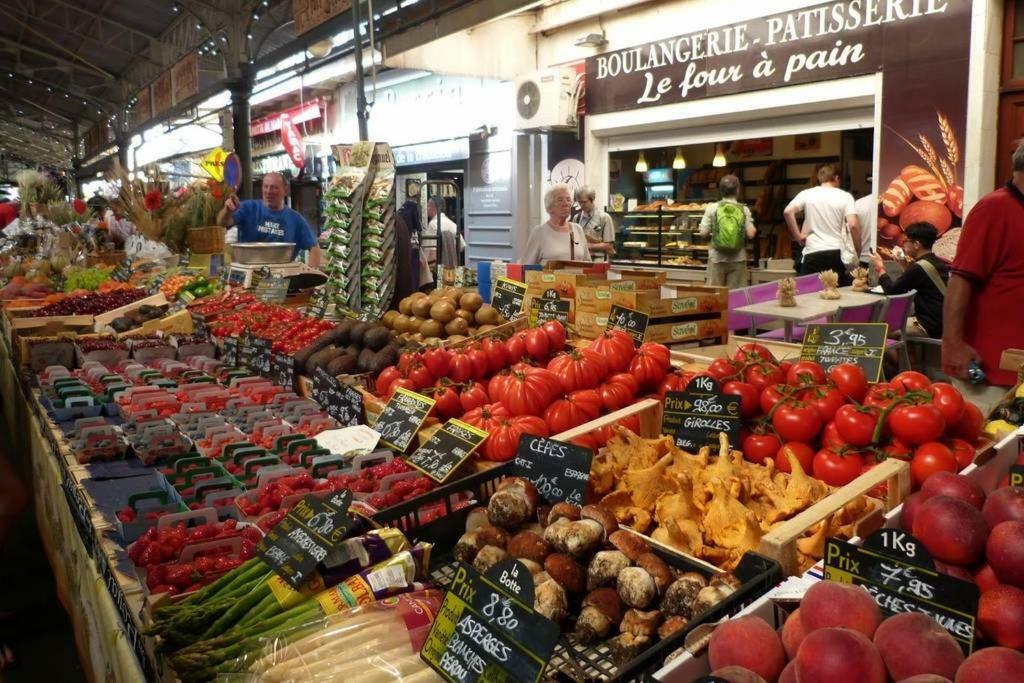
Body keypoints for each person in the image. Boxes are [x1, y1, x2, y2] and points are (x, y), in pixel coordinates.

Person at [942, 141, 1024, 414]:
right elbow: (960, 279)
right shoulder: (994, 208)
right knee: (984, 449)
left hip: (1018, 372)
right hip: (989, 375)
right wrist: (953, 344)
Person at [218, 172, 321, 267]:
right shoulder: (248, 208)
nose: (268, 191)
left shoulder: (296, 220)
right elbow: (222, 222)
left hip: (282, 277)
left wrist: (309, 278)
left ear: (285, 190)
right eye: (265, 187)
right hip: (250, 272)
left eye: (274, 187)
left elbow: (314, 248)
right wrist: (227, 210)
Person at [784, 164, 861, 286]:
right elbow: (853, 225)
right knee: (835, 295)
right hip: (836, 254)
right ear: (836, 178)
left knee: (808, 297)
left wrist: (798, 237)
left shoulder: (807, 194)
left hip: (812, 253)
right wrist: (857, 250)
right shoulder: (845, 197)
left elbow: (788, 212)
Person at [869, 222, 948, 338]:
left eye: (905, 241)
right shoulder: (937, 262)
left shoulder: (918, 267)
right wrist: (904, 266)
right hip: (942, 322)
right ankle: (909, 356)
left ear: (916, 244)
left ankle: (901, 357)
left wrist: (880, 268)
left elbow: (892, 291)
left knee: (877, 331)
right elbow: (916, 280)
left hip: (927, 324)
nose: (903, 244)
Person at [697, 174, 756, 288]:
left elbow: (703, 232)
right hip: (738, 259)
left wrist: (714, 236)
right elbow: (751, 233)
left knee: (715, 296)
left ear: (721, 191)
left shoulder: (712, 208)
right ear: (738, 190)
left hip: (716, 258)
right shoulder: (744, 209)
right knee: (735, 296)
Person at [524, 183, 591, 264]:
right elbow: (527, 266)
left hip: (577, 276)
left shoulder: (578, 229)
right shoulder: (539, 232)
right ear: (549, 206)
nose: (566, 203)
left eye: (568, 200)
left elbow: (588, 263)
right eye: (560, 200)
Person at [573, 186, 615, 260]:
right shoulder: (576, 218)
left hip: (598, 260)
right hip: (581, 260)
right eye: (579, 202)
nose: (581, 205)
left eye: (584, 202)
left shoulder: (604, 218)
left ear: (592, 200)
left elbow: (609, 245)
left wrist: (588, 246)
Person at [422, 196, 465, 269]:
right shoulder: (453, 225)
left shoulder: (433, 225)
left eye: (428, 206)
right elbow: (461, 247)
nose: (427, 209)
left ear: (433, 207)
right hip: (452, 268)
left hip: (438, 269)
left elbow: (432, 253)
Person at [854, 191, 878, 272]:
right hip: (887, 260)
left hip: (863, 257)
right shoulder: (891, 202)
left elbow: (851, 230)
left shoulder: (859, 204)